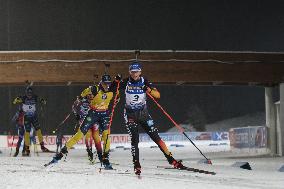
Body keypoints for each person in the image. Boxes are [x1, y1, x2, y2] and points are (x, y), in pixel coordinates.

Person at [117, 61, 184, 175]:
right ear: (129, 72)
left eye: (136, 72)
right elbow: (113, 89)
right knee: (135, 140)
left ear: (140, 71)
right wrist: (116, 82)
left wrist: (147, 89)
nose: (134, 74)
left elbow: (157, 95)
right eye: (132, 72)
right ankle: (137, 164)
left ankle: (171, 160)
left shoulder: (144, 81)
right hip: (130, 115)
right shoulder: (125, 82)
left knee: (156, 138)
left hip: (144, 114)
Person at [51, 74, 119, 169]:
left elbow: (117, 94)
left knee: (105, 135)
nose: (106, 86)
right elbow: (82, 95)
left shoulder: (112, 89)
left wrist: (117, 99)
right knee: (80, 135)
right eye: (104, 84)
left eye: (108, 84)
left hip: (104, 114)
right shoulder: (94, 89)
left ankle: (105, 158)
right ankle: (60, 155)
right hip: (93, 114)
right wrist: (80, 99)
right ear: (101, 83)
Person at [13, 86, 50, 156]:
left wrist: (43, 101)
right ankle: (27, 149)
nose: (29, 95)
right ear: (26, 93)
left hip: (34, 116)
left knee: (38, 130)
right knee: (27, 132)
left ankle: (42, 146)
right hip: (27, 117)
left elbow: (41, 100)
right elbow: (14, 102)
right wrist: (17, 99)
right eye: (28, 94)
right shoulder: (23, 98)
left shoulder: (35, 97)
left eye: (30, 94)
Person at [72, 95, 103, 163]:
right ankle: (89, 151)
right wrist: (76, 115)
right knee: (88, 135)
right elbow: (74, 106)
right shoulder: (83, 102)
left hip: (93, 120)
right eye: (90, 99)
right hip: (84, 120)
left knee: (95, 135)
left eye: (92, 98)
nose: (91, 100)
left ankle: (99, 154)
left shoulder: (96, 102)